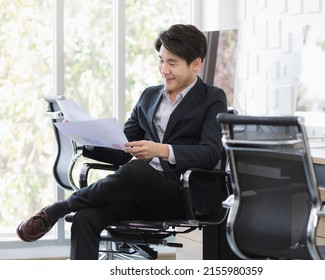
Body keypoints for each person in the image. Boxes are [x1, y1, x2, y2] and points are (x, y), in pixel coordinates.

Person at [16, 24, 227, 259]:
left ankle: (59, 208)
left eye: (172, 63)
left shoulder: (212, 98)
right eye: (161, 61)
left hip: (181, 196)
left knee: (136, 169)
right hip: (137, 192)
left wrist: (161, 150)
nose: (163, 69)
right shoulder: (149, 96)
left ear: (195, 64)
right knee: (86, 217)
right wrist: (86, 137)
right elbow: (122, 150)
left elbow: (210, 153)